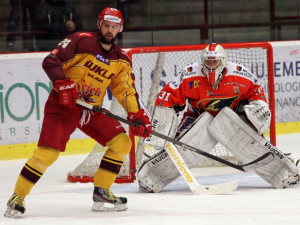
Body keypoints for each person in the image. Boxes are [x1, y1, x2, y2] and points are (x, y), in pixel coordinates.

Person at [4, 7, 152, 218]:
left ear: (119, 29)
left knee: (122, 142)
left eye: (114, 27)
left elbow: (126, 90)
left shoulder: (121, 59)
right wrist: (63, 84)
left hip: (91, 109)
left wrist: (136, 115)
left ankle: (102, 190)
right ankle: (17, 196)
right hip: (64, 104)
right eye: (106, 25)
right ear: (99, 24)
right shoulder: (80, 40)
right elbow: (51, 61)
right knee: (48, 153)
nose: (109, 30)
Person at [137, 43, 300, 193]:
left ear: (223, 62)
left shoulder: (239, 74)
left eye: (215, 62)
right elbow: (166, 97)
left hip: (233, 118)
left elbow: (256, 90)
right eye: (208, 62)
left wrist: (259, 107)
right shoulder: (189, 74)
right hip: (197, 117)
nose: (211, 65)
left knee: (250, 146)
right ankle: (150, 176)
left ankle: (287, 170)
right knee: (182, 150)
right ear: (202, 62)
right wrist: (162, 124)